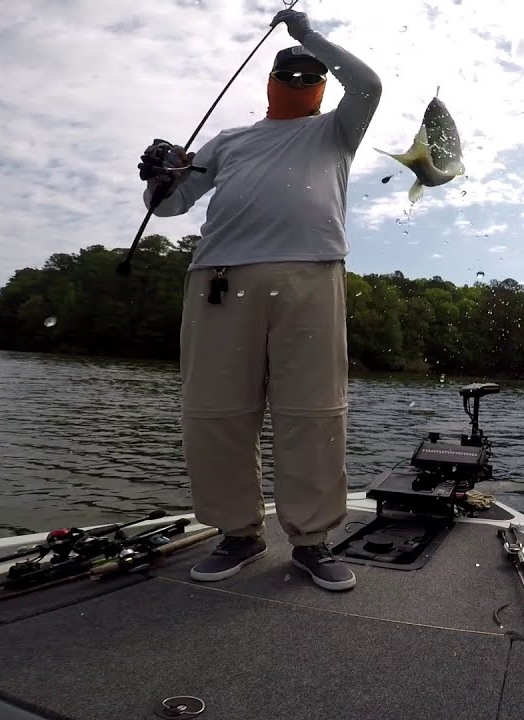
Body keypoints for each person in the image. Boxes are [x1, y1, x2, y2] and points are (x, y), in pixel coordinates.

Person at [136, 8, 381, 591]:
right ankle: (238, 534)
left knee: (315, 411)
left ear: (322, 86)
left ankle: (312, 541)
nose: (299, 83)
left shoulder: (337, 130)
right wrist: (157, 176)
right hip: (219, 279)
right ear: (270, 82)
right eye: (289, 75)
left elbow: (369, 85)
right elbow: (167, 208)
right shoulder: (229, 141)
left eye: (310, 76)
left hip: (312, 275)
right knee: (215, 411)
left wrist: (307, 36)